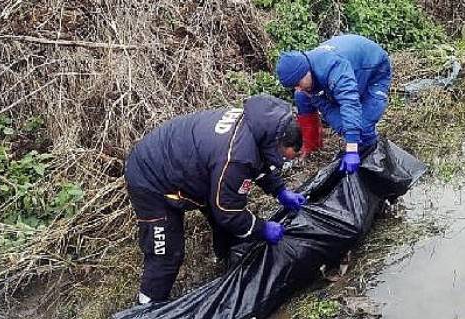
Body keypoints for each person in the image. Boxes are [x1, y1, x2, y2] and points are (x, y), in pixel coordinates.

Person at [124, 94, 306, 304]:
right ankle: (146, 310)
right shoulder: (235, 157)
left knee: (225, 215)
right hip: (150, 178)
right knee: (166, 255)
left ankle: (227, 260)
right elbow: (228, 212)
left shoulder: (258, 128)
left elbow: (260, 163)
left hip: (191, 167)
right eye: (285, 156)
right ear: (277, 143)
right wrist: (262, 229)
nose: (284, 161)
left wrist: (280, 191)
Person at [275, 34, 392, 173]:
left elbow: (350, 103)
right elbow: (327, 108)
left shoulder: (333, 69)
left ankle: (370, 162)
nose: (298, 88)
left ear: (306, 72)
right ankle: (312, 146)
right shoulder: (306, 72)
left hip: (374, 73)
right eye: (294, 86)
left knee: (363, 126)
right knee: (301, 97)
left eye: (298, 83)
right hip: (346, 75)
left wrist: (352, 148)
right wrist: (341, 126)